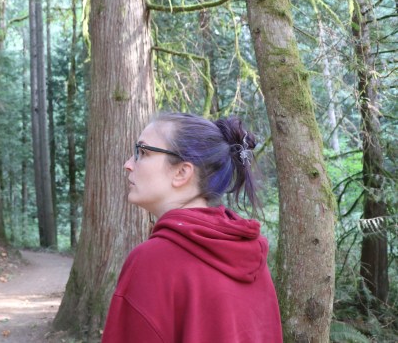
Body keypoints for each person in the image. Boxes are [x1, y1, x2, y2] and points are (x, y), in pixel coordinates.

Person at [101, 113, 283, 343]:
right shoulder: (251, 256)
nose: (128, 164)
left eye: (143, 152)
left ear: (182, 172)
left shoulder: (152, 261)